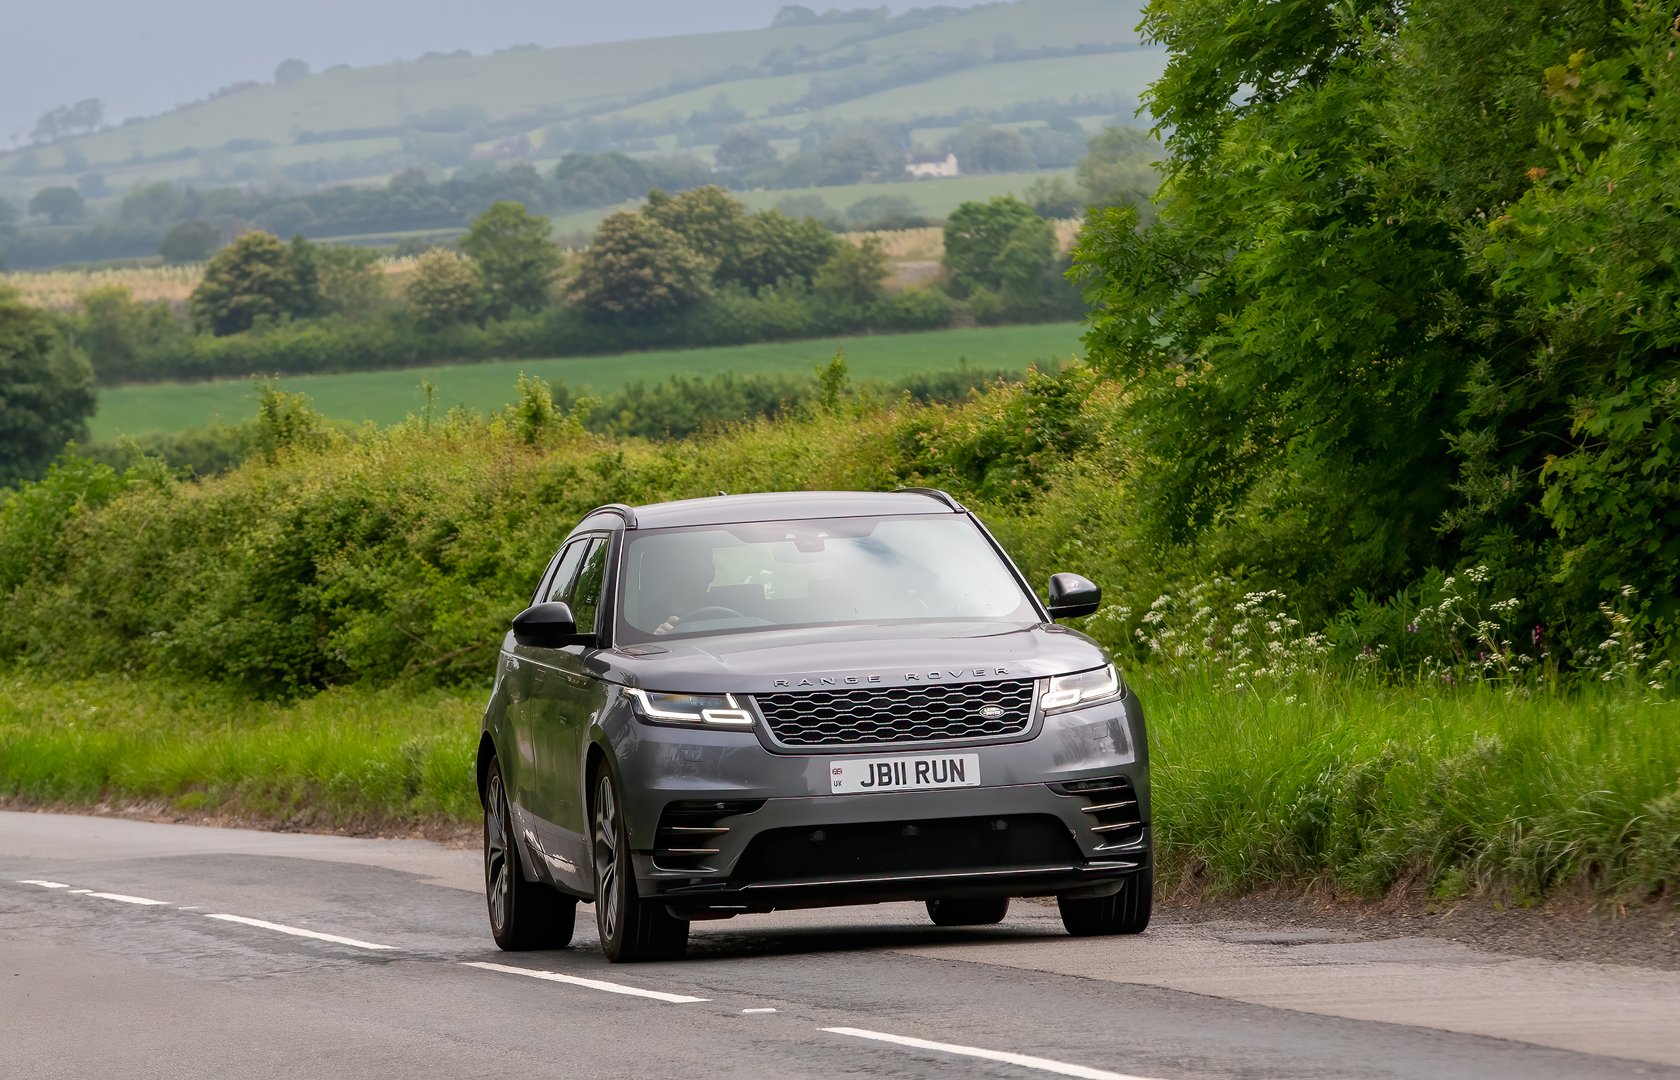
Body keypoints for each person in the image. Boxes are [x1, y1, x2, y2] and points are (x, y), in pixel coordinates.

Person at [647, 543, 715, 636]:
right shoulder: (641, 617)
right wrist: (657, 639)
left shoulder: (729, 612)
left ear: (711, 572)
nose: (690, 573)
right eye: (684, 565)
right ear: (670, 572)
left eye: (697, 566)